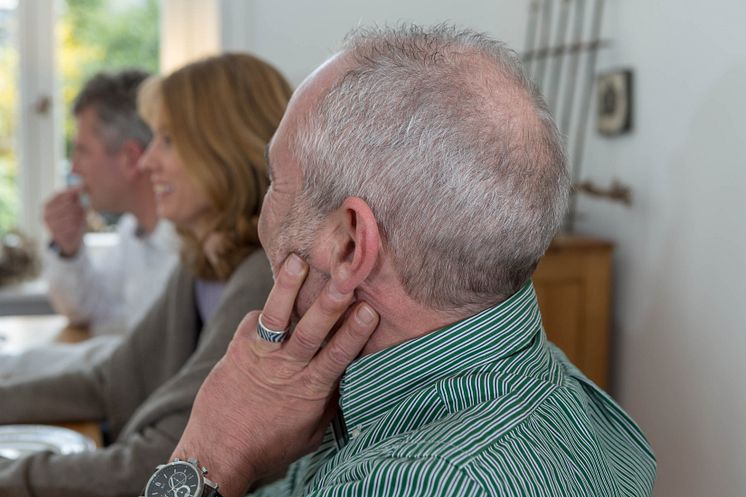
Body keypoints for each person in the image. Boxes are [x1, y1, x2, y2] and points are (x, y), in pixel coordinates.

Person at [164, 25, 656, 497]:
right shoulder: (549, 378)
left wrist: (212, 453)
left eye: (275, 182)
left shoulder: (412, 482)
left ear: (350, 246)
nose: (262, 211)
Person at [0, 52, 292, 497]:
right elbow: (113, 380)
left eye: (168, 141)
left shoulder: (263, 279)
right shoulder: (203, 264)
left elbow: (163, 462)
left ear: (223, 148)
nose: (148, 160)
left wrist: (15, 478)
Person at [44, 69, 179, 336]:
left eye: (82, 151)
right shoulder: (133, 230)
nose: (74, 169)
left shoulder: (184, 252)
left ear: (130, 158)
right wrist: (68, 249)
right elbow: (86, 310)